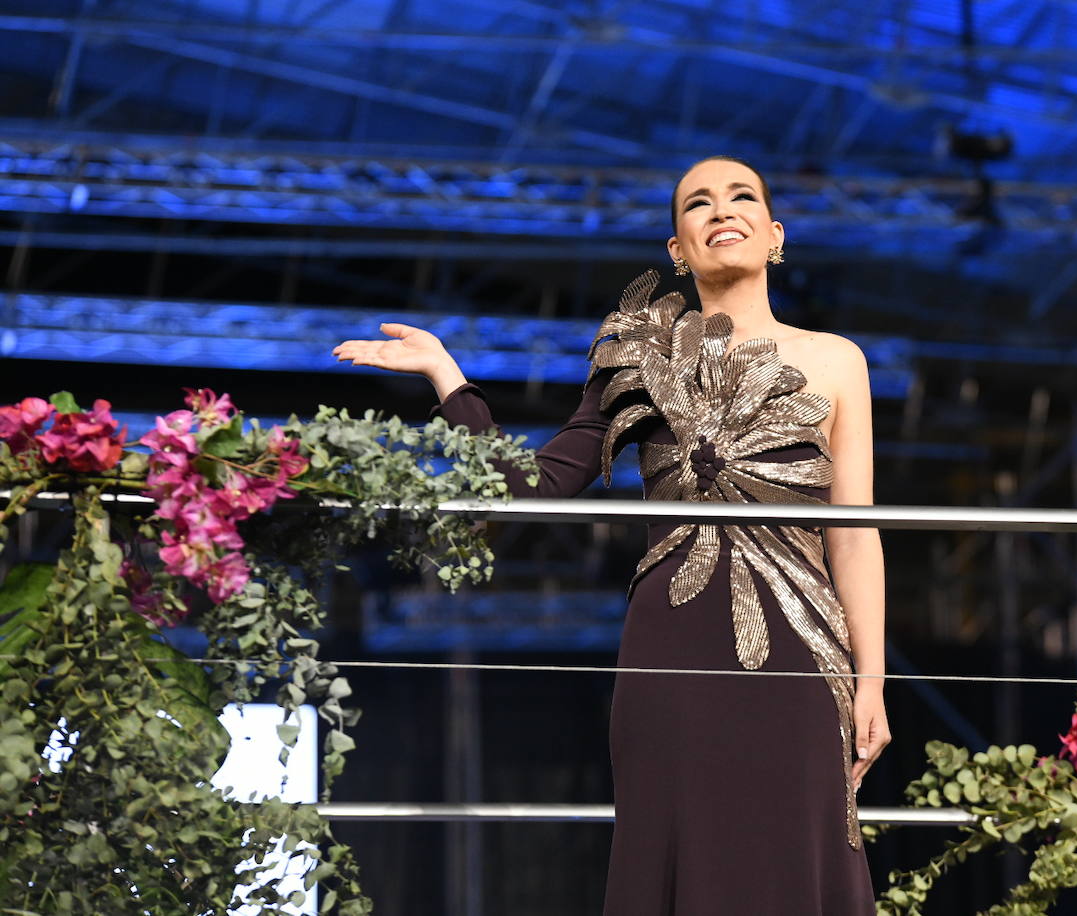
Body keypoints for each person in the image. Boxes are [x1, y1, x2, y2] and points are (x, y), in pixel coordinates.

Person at [333, 156, 889, 915]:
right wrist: (447, 377)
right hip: (673, 649)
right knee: (682, 853)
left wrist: (873, 680)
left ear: (774, 234)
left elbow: (854, 537)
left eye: (741, 197)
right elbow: (526, 490)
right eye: (698, 204)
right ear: (677, 249)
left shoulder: (837, 361)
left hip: (800, 651)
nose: (721, 210)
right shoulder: (638, 353)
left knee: (796, 853)